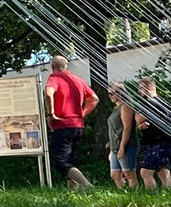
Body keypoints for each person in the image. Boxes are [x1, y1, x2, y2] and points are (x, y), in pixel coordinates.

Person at [44, 55, 98, 189]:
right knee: (71, 161)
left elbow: (48, 94)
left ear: (52, 67)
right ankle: (73, 193)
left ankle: (87, 185)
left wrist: (51, 114)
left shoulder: (54, 78)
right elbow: (94, 99)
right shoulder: (78, 80)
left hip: (62, 125)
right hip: (77, 126)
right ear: (66, 66)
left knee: (60, 162)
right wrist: (82, 115)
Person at [135, 77, 171, 190]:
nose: (139, 91)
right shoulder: (164, 103)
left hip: (156, 144)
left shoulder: (150, 103)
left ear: (150, 87)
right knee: (163, 172)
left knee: (145, 172)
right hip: (165, 143)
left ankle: (151, 196)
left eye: (141, 88)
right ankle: (170, 195)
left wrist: (139, 119)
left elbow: (138, 118)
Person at [107, 82, 138, 188]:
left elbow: (127, 127)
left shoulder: (125, 106)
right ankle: (123, 193)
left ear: (120, 93)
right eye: (109, 93)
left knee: (129, 173)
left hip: (126, 144)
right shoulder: (116, 108)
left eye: (113, 93)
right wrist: (112, 150)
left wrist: (122, 147)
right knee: (115, 174)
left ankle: (135, 195)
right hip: (115, 146)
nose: (110, 96)